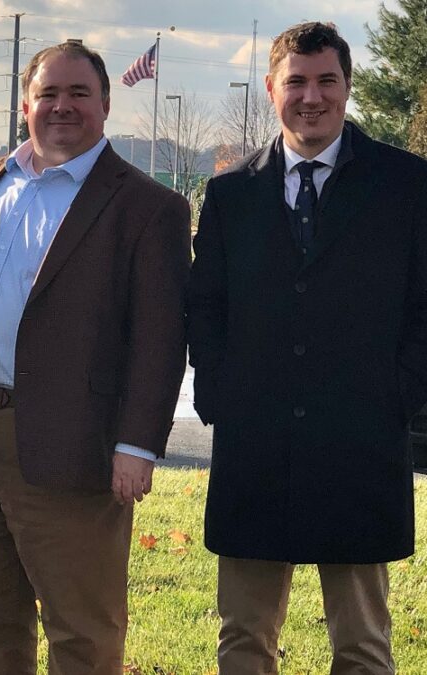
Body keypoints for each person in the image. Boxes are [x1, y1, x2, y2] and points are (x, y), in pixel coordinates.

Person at [0, 42, 191, 674]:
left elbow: (160, 338)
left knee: (81, 630)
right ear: (26, 106)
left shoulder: (148, 207)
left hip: (74, 446)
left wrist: (137, 445)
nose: (62, 106)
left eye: (78, 93)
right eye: (48, 94)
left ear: (106, 103)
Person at [188, 21, 427, 673]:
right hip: (254, 445)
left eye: (327, 80)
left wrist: (399, 396)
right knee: (243, 640)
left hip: (361, 444)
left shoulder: (407, 185)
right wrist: (220, 395)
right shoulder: (231, 194)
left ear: (347, 86)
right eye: (296, 82)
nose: (311, 97)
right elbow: (206, 306)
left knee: (362, 646)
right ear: (272, 89)